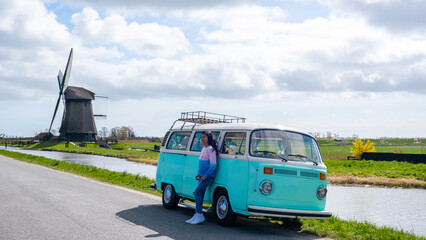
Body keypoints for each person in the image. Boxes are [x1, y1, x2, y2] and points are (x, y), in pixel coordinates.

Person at [186, 131, 218, 225]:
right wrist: (198, 174)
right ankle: (196, 214)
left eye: (204, 137)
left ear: (209, 138)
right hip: (201, 176)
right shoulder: (204, 148)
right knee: (200, 195)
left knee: (196, 193)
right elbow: (202, 163)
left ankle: (199, 215)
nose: (202, 139)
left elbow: (213, 165)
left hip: (207, 177)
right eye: (201, 137)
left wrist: (205, 176)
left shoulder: (211, 149)